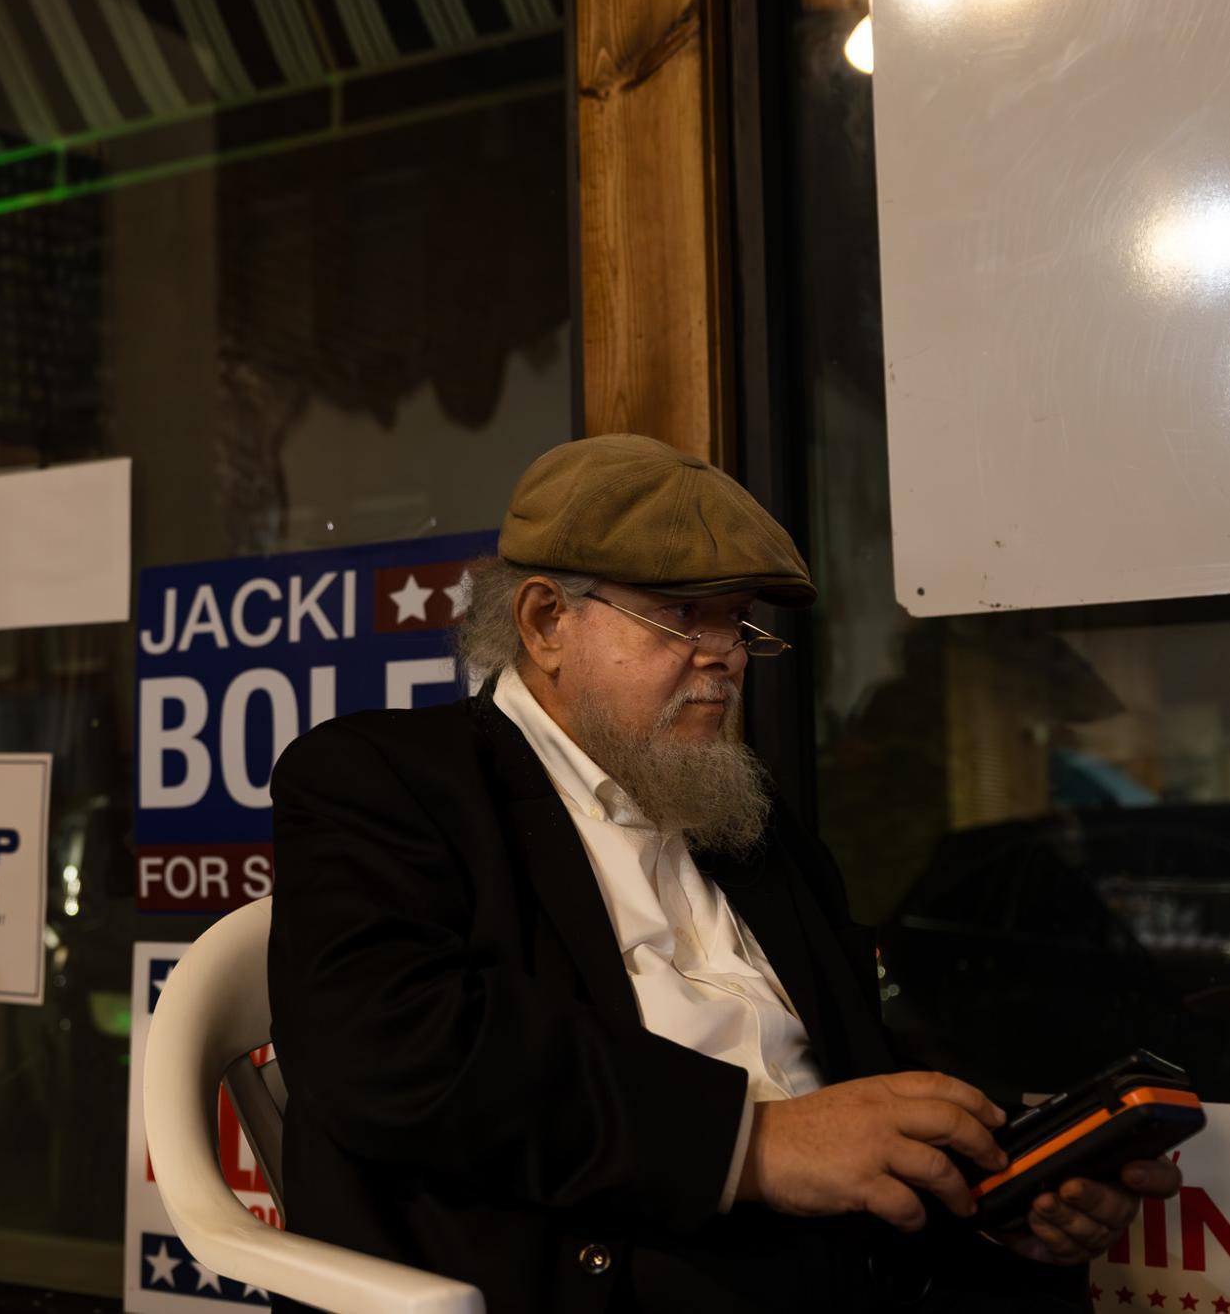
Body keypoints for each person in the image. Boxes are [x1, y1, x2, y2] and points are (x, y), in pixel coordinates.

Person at [265, 434, 1181, 1313]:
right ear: (545, 622)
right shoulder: (384, 779)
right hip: (616, 1266)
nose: (726, 656)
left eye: (737, 622)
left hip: (863, 1264)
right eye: (680, 616)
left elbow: (850, 1053)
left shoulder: (741, 815)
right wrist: (752, 1145)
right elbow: (388, 1051)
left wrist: (1001, 1195)